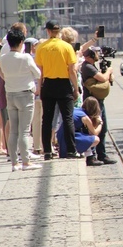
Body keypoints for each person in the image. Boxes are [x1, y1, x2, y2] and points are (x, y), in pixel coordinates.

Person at [35, 20, 79, 160]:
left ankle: (47, 151)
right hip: (64, 85)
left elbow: (40, 73)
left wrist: (40, 89)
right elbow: (72, 71)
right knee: (67, 118)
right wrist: (76, 88)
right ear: (58, 31)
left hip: (48, 84)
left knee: (46, 120)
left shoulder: (41, 47)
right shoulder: (66, 47)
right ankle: (71, 150)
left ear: (48, 31)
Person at [0, 28, 42, 171]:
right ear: (21, 43)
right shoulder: (26, 58)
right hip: (25, 94)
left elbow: (2, 73)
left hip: (10, 94)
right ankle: (26, 161)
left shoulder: (2, 58)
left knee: (13, 130)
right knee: (24, 131)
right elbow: (37, 74)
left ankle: (14, 163)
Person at [80, 48, 117, 164]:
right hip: (92, 102)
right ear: (90, 55)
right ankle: (92, 156)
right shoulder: (87, 66)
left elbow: (107, 79)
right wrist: (109, 70)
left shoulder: (92, 65)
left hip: (98, 101)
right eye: (96, 53)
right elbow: (103, 78)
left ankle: (101, 154)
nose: (98, 55)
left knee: (103, 128)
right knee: (94, 128)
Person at [57, 96, 105, 166]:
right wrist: (100, 123)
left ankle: (90, 157)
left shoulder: (76, 110)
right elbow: (94, 133)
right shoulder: (84, 117)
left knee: (85, 137)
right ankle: (90, 158)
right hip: (67, 140)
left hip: (62, 137)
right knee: (95, 139)